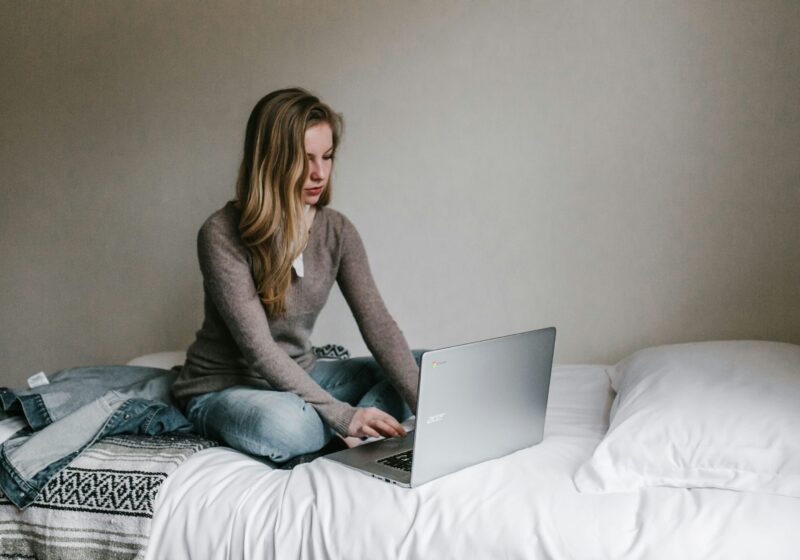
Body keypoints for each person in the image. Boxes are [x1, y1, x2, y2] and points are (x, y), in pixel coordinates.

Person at [171, 88, 421, 465]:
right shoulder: (220, 233)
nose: (319, 173)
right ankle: (348, 427)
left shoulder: (337, 230)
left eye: (327, 156)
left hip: (305, 375)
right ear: (271, 161)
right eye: (304, 160)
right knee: (289, 427)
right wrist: (343, 415)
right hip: (226, 387)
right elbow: (259, 350)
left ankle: (366, 433)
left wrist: (430, 408)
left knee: (429, 368)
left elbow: (379, 325)